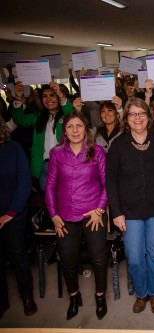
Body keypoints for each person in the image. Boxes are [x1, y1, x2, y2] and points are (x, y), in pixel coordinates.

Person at [106, 98, 154, 314]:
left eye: (141, 113)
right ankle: (141, 294)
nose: (137, 118)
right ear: (126, 118)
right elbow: (110, 181)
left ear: (148, 117)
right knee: (134, 256)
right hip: (129, 211)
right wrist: (116, 212)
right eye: (133, 114)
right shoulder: (118, 145)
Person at [45, 112, 108, 320]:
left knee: (98, 258)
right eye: (70, 127)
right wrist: (53, 215)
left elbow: (108, 184)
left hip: (93, 215)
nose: (74, 130)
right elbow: (51, 185)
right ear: (65, 131)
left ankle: (100, 297)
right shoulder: (56, 153)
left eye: (79, 126)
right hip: (64, 217)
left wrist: (100, 209)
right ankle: (74, 296)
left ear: (86, 128)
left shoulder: (97, 151)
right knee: (67, 260)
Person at [0, 115, 37, 319]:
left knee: (18, 256)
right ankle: (2, 301)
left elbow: (24, 182)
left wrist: (10, 213)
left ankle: (27, 296)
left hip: (13, 213)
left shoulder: (13, 148)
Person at [11, 81, 73, 190]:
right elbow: (20, 120)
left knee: (65, 199)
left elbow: (73, 114)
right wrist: (18, 97)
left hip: (64, 165)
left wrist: (60, 94)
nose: (48, 99)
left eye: (52, 95)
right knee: (48, 202)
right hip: (44, 166)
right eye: (44, 96)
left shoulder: (67, 116)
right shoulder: (38, 117)